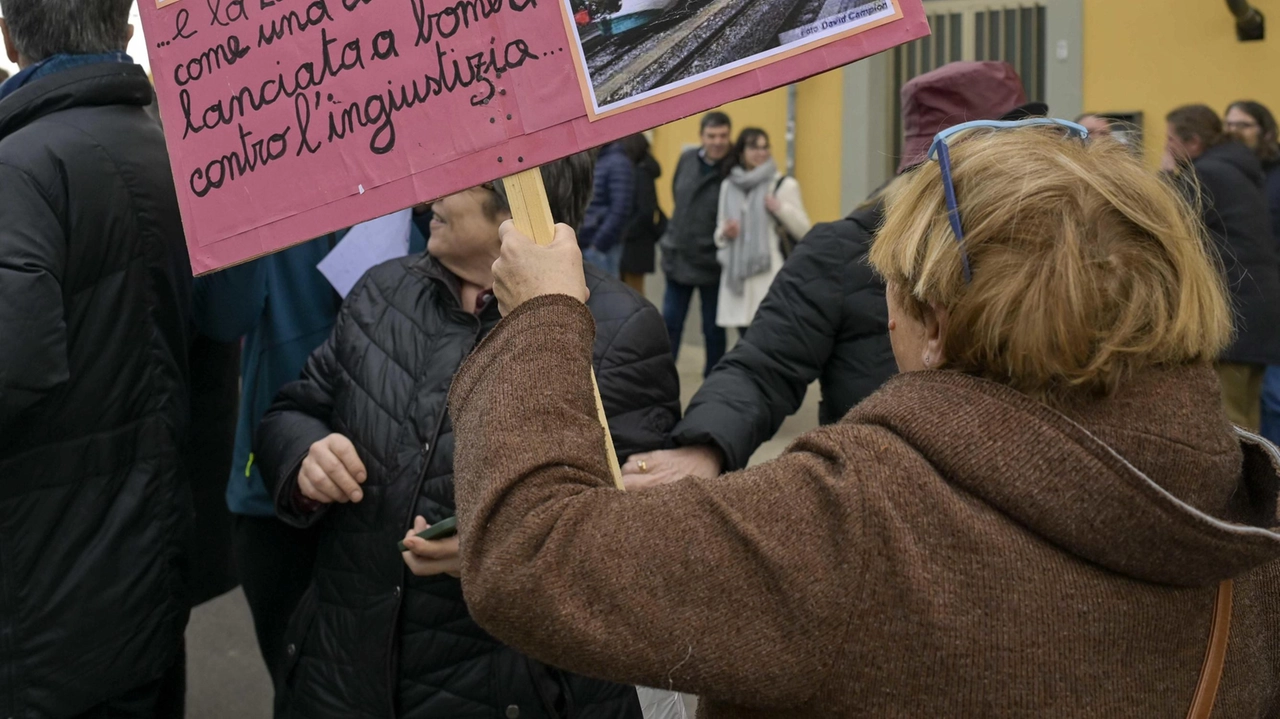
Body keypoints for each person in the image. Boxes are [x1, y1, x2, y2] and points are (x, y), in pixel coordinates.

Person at [449, 121, 1280, 718]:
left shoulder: (862, 523)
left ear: (938, 326)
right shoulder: (1247, 507)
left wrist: (543, 318)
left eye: (892, 292)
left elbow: (532, 553)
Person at [254, 155, 681, 719]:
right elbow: (293, 410)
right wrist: (305, 456)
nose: (427, 195)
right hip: (339, 670)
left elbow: (635, 539)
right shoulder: (382, 290)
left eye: (451, 177)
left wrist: (504, 553)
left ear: (518, 202)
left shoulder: (619, 329)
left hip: (504, 684)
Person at [623, 60, 1035, 484]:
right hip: (880, 497)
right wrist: (705, 447)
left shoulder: (1047, 250)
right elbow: (762, 366)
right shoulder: (844, 251)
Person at [0, 0, 194, 715]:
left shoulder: (16, 167)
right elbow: (231, 318)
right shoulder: (173, 151)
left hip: (42, 594)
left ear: (8, 34)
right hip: (149, 566)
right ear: (122, 27)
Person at [192, 218, 428, 692]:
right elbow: (225, 318)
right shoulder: (267, 177)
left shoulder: (424, 199)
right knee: (301, 687)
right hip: (280, 490)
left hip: (405, 491)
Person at [1165, 104, 1280, 431]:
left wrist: (1165, 175)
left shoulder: (1205, 174)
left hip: (1234, 312)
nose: (1166, 149)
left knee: (1231, 425)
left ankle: (1245, 484)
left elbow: (1167, 220)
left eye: (1170, 140)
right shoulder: (1239, 169)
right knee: (1248, 415)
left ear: (1193, 142)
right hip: (1258, 311)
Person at [714, 127, 811, 335]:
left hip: (768, 278)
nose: (761, 152)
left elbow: (805, 230)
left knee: (768, 337)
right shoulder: (729, 186)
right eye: (754, 147)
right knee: (744, 340)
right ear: (741, 152)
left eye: (765, 147)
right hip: (738, 282)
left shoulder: (783, 185)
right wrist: (725, 231)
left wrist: (780, 208)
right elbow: (718, 232)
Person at [662, 111, 733, 376]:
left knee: (713, 331)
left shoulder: (734, 169)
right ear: (702, 137)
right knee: (670, 325)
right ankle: (663, 381)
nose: (717, 141)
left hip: (713, 265)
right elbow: (676, 195)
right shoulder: (687, 159)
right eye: (712, 136)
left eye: (723, 136)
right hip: (677, 258)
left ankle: (713, 386)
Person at [1226, 101, 1280, 443]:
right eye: (1228, 124)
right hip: (1245, 299)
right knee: (1253, 401)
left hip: (1273, 297)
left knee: (1274, 399)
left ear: (1266, 132)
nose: (1233, 132)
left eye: (1243, 125)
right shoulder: (1227, 173)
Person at [618, 133, 666, 295]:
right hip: (638, 244)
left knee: (634, 293)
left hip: (636, 245)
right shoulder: (643, 170)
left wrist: (625, 233)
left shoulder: (641, 173)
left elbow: (645, 211)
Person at [580, 140, 635, 276]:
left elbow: (620, 209)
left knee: (606, 294)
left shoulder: (618, 162)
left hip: (602, 247)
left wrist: (598, 244)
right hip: (588, 241)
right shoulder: (598, 159)